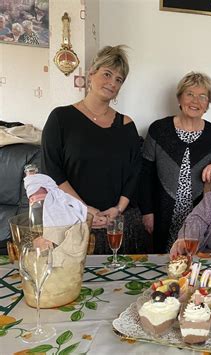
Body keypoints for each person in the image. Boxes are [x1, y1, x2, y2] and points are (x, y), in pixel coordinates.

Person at [42, 45, 146, 254]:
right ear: (91, 73)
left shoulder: (127, 125)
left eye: (119, 79)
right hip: (73, 221)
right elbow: (52, 171)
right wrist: (86, 210)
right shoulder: (60, 118)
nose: (112, 83)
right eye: (107, 74)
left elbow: (135, 173)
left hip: (118, 223)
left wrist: (118, 209)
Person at [140, 71, 211, 253]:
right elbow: (145, 174)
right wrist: (147, 212)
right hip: (161, 213)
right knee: (163, 261)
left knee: (192, 260)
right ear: (179, 98)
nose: (195, 101)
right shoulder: (159, 130)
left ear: (207, 104)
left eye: (202, 96)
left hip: (198, 217)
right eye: (189, 94)